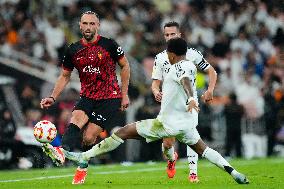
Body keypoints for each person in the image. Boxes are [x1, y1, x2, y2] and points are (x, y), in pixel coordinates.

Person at [65, 38, 249, 185]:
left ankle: (84, 157)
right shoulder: (191, 65)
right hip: (186, 124)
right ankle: (234, 173)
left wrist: (192, 98)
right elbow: (185, 80)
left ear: (171, 53)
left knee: (123, 132)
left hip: (167, 124)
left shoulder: (177, 67)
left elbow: (184, 81)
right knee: (203, 149)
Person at [40, 11, 130, 185]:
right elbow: (64, 75)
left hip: (109, 97)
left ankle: (82, 166)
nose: (88, 27)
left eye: (92, 24)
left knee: (88, 138)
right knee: (76, 118)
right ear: (80, 26)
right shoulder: (73, 49)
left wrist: (124, 95)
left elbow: (125, 66)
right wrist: (53, 96)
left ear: (97, 26)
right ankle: (61, 151)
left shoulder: (109, 45)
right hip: (87, 96)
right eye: (85, 24)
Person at [151, 21, 217, 182]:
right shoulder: (160, 58)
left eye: (172, 34)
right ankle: (172, 158)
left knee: (191, 136)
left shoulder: (192, 54)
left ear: (179, 35)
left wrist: (210, 90)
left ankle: (193, 173)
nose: (169, 37)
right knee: (167, 143)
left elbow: (211, 71)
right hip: (170, 106)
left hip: (189, 102)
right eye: (166, 35)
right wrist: (155, 92)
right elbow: (155, 82)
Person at [224, 93, 244, 158]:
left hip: (230, 127)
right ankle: (239, 155)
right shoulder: (240, 107)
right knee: (238, 142)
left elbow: (224, 114)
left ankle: (227, 155)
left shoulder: (227, 107)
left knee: (229, 142)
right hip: (238, 127)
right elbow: (242, 114)